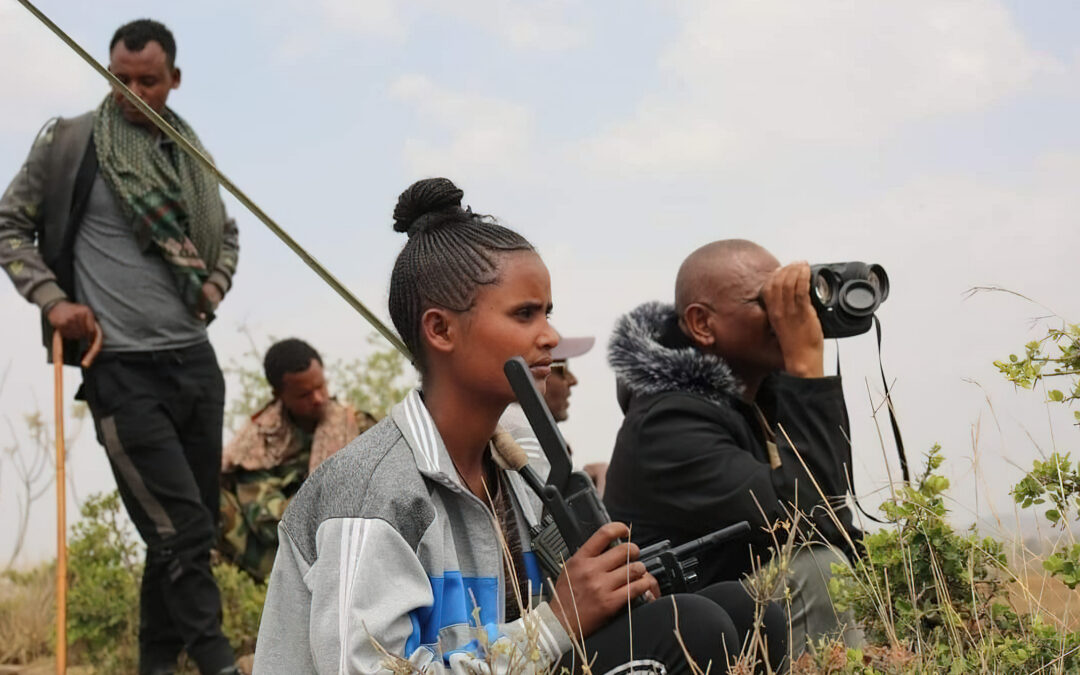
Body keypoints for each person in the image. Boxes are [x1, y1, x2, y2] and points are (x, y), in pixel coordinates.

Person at [254, 180, 786, 674]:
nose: (551, 336)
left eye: (547, 312)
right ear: (440, 329)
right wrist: (557, 621)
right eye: (525, 314)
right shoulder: (373, 491)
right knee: (691, 630)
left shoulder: (515, 471)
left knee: (746, 611)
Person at [0, 19, 241, 675]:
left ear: (174, 81)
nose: (132, 91)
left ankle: (155, 666)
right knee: (182, 529)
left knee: (179, 535)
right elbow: (8, 226)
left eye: (148, 81)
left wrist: (213, 291)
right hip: (119, 367)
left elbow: (229, 233)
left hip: (195, 363)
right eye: (120, 78)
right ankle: (220, 661)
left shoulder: (187, 156)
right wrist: (54, 300)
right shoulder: (69, 143)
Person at [604, 239, 864, 655]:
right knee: (817, 570)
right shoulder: (667, 425)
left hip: (736, 616)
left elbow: (835, 512)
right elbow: (811, 517)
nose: (788, 316)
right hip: (689, 638)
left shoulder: (758, 399)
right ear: (702, 324)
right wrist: (805, 365)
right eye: (771, 302)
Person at [218, 338, 376, 581]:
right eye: (304, 394)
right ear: (279, 395)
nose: (318, 399)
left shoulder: (355, 425)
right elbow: (269, 523)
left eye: (321, 386)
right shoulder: (256, 447)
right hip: (288, 559)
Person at [543, 334, 609, 495]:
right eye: (562, 369)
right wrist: (604, 494)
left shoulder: (541, 444)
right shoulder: (525, 443)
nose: (573, 380)